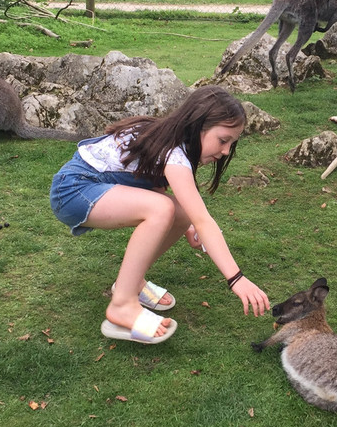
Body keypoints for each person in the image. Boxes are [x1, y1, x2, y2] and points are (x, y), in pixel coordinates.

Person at [50, 85, 270, 345]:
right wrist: (236, 278)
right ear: (197, 125)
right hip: (73, 190)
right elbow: (204, 220)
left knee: (179, 212)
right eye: (223, 140)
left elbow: (150, 183)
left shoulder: (169, 138)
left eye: (231, 143)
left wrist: (186, 225)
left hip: (92, 185)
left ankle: (130, 284)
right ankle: (122, 304)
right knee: (163, 209)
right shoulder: (174, 153)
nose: (225, 151)